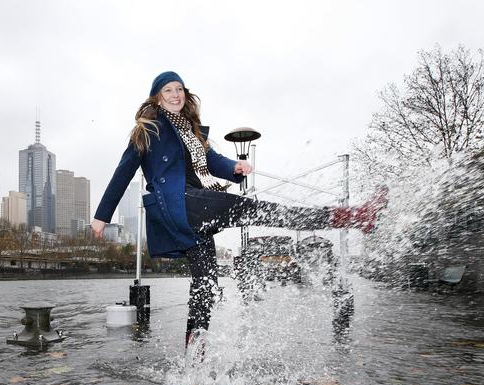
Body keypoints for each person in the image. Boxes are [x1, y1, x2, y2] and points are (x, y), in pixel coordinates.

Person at [91, 71, 388, 350]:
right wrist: (102, 216)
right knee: (260, 210)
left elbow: (212, 161)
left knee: (205, 285)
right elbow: (123, 172)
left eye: (179, 89)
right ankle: (355, 216)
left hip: (195, 210)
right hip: (182, 204)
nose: (175, 94)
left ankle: (195, 359)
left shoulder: (191, 132)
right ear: (156, 98)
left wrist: (235, 167)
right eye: (167, 90)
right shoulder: (148, 129)